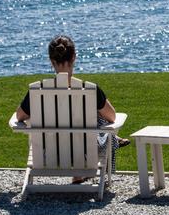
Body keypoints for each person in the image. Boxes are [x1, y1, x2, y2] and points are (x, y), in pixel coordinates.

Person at [15, 35, 128, 183]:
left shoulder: (37, 92)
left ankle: (78, 175)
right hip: (85, 154)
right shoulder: (90, 90)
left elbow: (19, 117)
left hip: (47, 154)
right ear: (74, 57)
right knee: (102, 125)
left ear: (51, 61)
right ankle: (81, 172)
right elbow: (112, 117)